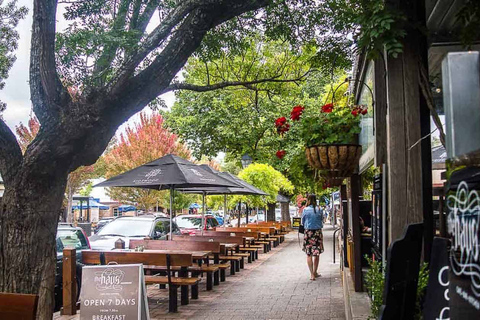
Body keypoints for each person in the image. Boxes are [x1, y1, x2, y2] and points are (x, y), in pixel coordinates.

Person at [301, 194, 324, 280]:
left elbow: (302, 222)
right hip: (317, 232)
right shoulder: (320, 209)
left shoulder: (305, 210)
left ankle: (312, 274)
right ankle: (315, 272)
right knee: (316, 253)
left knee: (309, 253)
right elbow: (322, 219)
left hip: (308, 233)